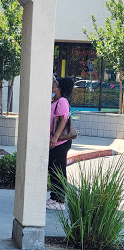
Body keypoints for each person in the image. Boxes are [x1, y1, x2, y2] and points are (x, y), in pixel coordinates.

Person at [46, 76, 75, 211]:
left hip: (60, 143)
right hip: (55, 143)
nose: (52, 85)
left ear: (59, 88)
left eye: (55, 84)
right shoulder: (54, 101)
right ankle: (54, 197)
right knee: (53, 170)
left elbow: (63, 119)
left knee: (58, 171)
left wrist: (55, 137)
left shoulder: (62, 101)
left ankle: (60, 202)